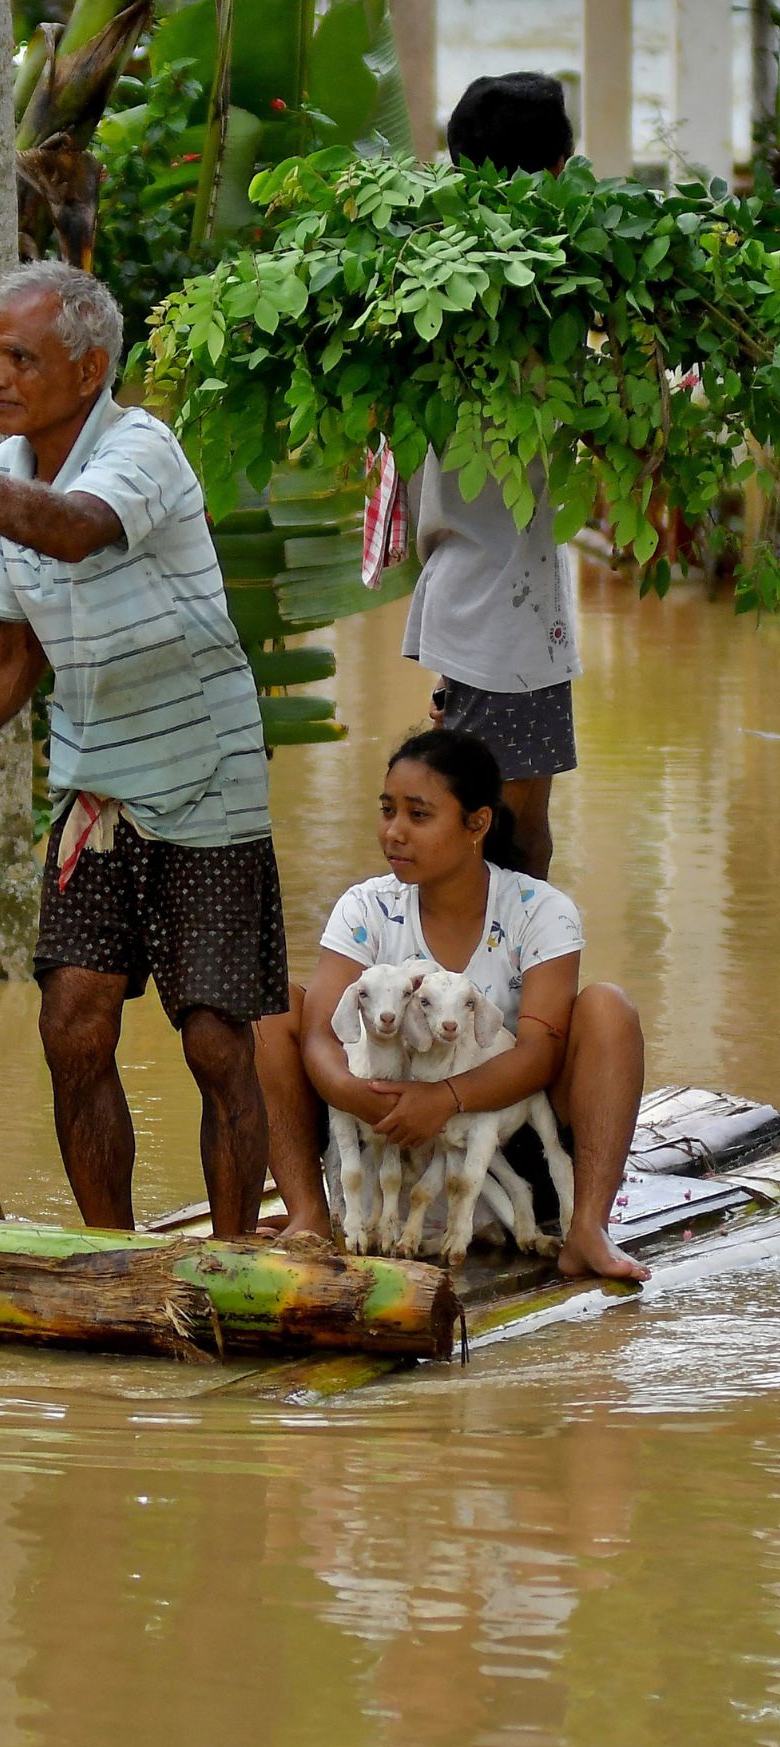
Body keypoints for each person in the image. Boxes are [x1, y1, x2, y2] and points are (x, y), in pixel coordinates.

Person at [0, 260, 289, 1237]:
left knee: (213, 1035)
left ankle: (235, 1254)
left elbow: (74, 533)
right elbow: (14, 655)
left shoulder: (140, 449)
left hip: (205, 772)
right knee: (72, 1021)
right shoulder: (12, 480)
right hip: (96, 783)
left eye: (20, 357)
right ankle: (112, 1258)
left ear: (89, 369)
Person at [254, 728, 649, 1283]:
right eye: (388, 810)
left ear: (477, 824)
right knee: (270, 1012)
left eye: (418, 816)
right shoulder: (365, 907)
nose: (394, 832)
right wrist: (368, 1102)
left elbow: (541, 1050)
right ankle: (310, 1214)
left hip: (504, 1143)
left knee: (609, 1008)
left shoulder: (540, 910)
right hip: (377, 1135)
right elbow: (321, 1034)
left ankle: (586, 1227)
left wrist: (444, 1099)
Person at [401, 72, 581, 880]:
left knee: (490, 823)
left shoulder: (433, 282)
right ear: (556, 169)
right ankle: (513, 993)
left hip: (476, 596)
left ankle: (495, 989)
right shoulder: (546, 291)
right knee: (512, 831)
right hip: (499, 611)